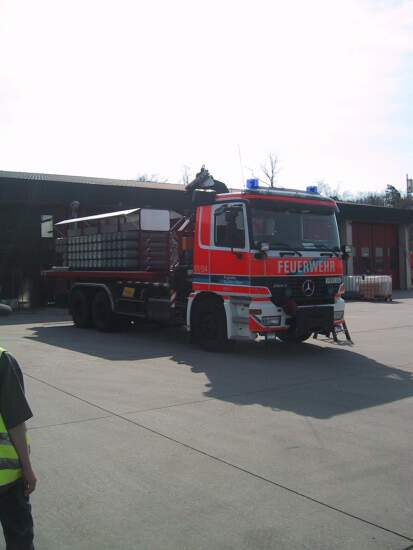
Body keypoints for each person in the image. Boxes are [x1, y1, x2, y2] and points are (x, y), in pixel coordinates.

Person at [0, 347, 36, 550]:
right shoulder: (2, 360)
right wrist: (27, 468)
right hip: (7, 479)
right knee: (19, 540)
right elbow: (15, 422)